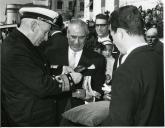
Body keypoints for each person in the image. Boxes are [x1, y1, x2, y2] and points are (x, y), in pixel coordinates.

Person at [1, 7, 82, 126]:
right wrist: (70, 79)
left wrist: (60, 69)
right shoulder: (15, 49)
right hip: (29, 120)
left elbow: (36, 68)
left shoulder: (23, 43)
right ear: (34, 26)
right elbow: (42, 85)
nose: (45, 38)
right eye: (45, 32)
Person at [102, 5, 164, 126]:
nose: (113, 41)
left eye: (112, 35)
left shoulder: (126, 71)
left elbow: (119, 123)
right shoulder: (160, 58)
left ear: (119, 33)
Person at [48, 19, 106, 125]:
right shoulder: (51, 55)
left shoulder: (98, 59)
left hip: (82, 116)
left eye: (81, 37)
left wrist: (87, 96)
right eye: (73, 37)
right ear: (67, 34)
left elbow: (99, 92)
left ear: (86, 36)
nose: (77, 42)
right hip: (54, 114)